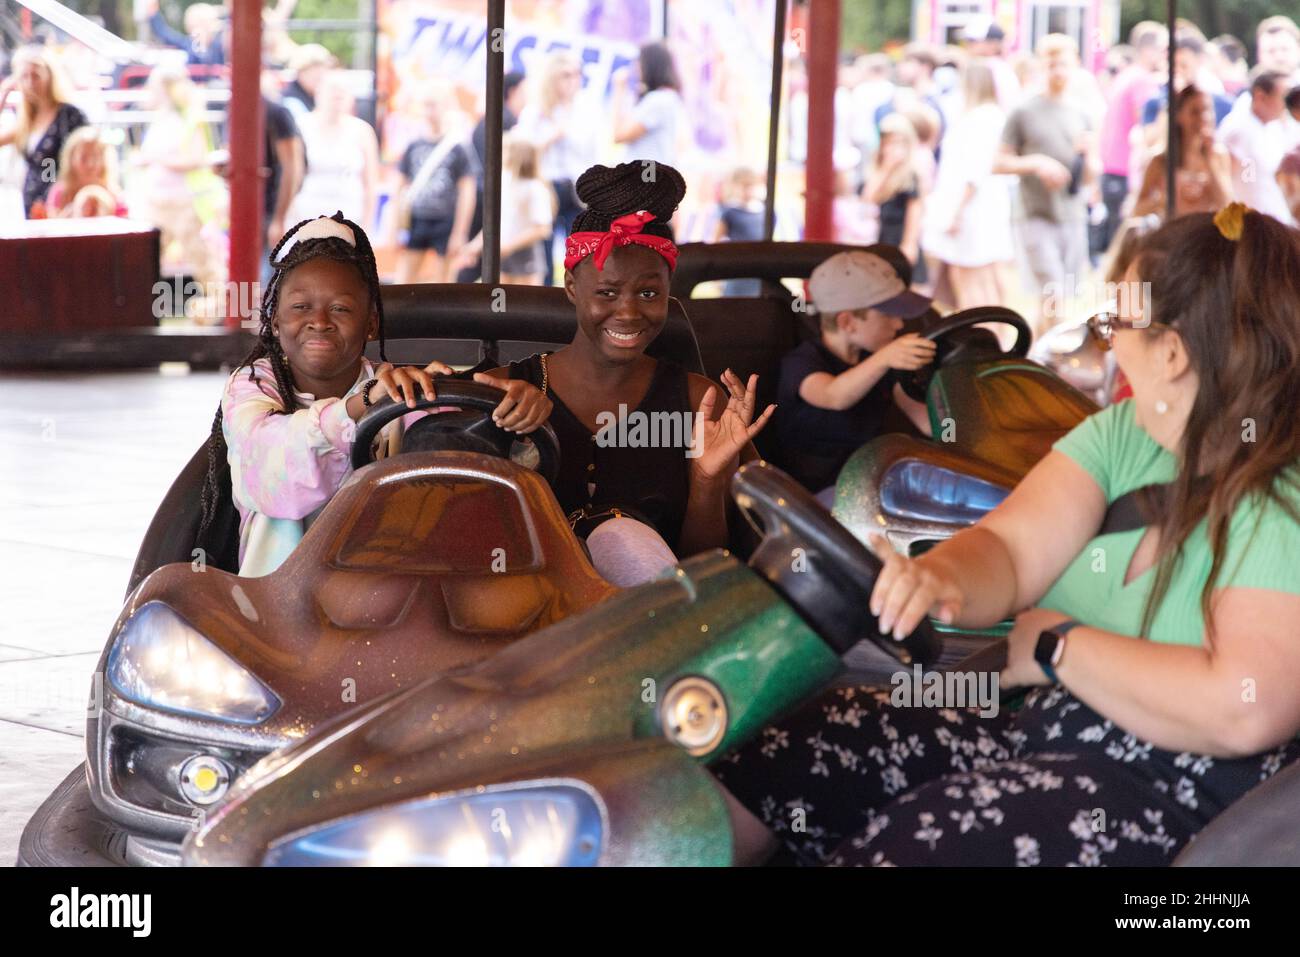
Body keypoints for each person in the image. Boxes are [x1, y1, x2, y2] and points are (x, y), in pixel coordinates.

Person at [716, 204, 1300, 866]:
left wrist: (1058, 648)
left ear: (1172, 352)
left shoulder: (1283, 493)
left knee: (912, 846)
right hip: (1046, 729)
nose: (1109, 343)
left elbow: (1245, 707)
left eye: (1116, 325)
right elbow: (1011, 550)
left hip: (1184, 797)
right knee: (789, 753)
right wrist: (939, 576)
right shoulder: (1124, 435)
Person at [199, 213, 551, 577]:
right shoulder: (253, 386)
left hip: (388, 586)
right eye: (301, 307)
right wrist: (359, 406)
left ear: (370, 324)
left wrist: (512, 419)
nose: (319, 321)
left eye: (341, 308)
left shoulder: (397, 389)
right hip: (280, 597)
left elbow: (459, 457)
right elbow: (270, 468)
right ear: (274, 321)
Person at [492, 161, 774, 587]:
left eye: (648, 293)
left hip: (651, 626)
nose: (627, 312)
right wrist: (385, 391)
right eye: (606, 292)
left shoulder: (700, 403)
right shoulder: (505, 388)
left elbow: (703, 571)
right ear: (572, 287)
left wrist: (706, 482)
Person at [774, 250, 935, 498]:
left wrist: (954, 425)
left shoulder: (881, 361)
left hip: (873, 483)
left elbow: (928, 423)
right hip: (810, 499)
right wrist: (886, 358)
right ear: (847, 322)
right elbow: (834, 396)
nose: (899, 324)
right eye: (888, 315)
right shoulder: (801, 364)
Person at [994, 34, 1096, 331]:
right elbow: (998, 162)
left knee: (1054, 301)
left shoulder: (1082, 113)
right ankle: (1053, 358)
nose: (1058, 72)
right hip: (1035, 214)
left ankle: (1041, 356)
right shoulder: (1024, 111)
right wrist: (1037, 163)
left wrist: (1088, 158)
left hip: (1072, 214)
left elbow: (1090, 175)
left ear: (1075, 65)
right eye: (1051, 65)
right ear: (1041, 66)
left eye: (1063, 64)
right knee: (1054, 293)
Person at [921, 60, 1013, 310]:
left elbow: (974, 171)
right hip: (983, 204)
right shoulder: (993, 116)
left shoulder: (979, 120)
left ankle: (984, 336)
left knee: (969, 278)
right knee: (989, 276)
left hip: (970, 207)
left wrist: (957, 212)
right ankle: (997, 335)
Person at [132, 65, 226, 297]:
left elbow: (195, 158)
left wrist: (154, 159)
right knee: (147, 258)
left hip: (184, 202)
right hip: (158, 201)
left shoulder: (189, 119)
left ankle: (223, 308)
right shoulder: (161, 120)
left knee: (203, 261)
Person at [514, 51, 597, 285]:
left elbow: (594, 153)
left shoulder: (587, 109)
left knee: (580, 252)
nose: (573, 81)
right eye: (566, 75)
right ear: (552, 78)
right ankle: (546, 306)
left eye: (577, 74)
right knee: (544, 252)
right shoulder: (535, 111)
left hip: (577, 188)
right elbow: (522, 153)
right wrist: (550, 137)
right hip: (545, 187)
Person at [392, 80, 478, 284]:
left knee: (444, 282)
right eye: (425, 105)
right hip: (417, 218)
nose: (429, 111)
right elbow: (399, 187)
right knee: (404, 279)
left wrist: (460, 232)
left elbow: (468, 191)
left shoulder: (459, 146)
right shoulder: (414, 145)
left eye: (434, 105)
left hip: (445, 219)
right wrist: (396, 227)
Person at [1098, 21, 1167, 249]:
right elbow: (1148, 129)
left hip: (1112, 169)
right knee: (1127, 249)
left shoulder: (1127, 75)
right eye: (1163, 49)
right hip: (1126, 173)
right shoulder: (1142, 81)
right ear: (1149, 50)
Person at [285, 71, 379, 231]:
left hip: (349, 217)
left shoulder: (362, 130)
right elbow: (291, 174)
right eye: (333, 91)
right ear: (319, 93)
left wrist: (368, 224)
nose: (337, 96)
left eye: (343, 91)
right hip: (306, 216)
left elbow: (370, 182)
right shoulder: (301, 126)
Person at [0, 46, 87, 217]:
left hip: (60, 206)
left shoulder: (69, 115)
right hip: (33, 206)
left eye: (36, 76)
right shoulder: (28, 119)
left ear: (50, 75)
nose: (31, 83)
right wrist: (4, 94)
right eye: (24, 77)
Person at [455, 136, 555, 285]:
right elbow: (496, 222)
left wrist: (508, 246)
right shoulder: (505, 183)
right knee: (499, 302)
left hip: (524, 256)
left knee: (524, 304)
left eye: (506, 150)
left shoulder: (535, 188)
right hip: (503, 254)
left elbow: (542, 229)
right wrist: (475, 246)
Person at [1131, 86, 1232, 220]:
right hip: (1174, 235)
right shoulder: (1160, 160)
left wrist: (1210, 162)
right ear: (1179, 116)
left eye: (1207, 110)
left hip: (1206, 235)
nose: (1203, 117)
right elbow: (1137, 209)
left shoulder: (1219, 155)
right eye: (1195, 112)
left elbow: (1227, 204)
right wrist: (1160, 201)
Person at [1217, 70, 1295, 224]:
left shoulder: (1274, 127)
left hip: (1275, 219)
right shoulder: (1238, 129)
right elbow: (1234, 180)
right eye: (1285, 98)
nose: (1288, 105)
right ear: (1261, 96)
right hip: (1253, 222)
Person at [865, 114, 926, 276]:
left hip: (901, 241)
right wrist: (886, 168)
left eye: (898, 142)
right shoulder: (880, 171)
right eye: (889, 142)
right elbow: (868, 198)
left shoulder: (911, 176)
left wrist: (909, 244)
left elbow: (915, 211)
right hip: (884, 242)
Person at [612, 42, 685, 166]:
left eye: (640, 62)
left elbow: (619, 135)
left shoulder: (657, 100)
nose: (636, 68)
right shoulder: (667, 97)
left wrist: (619, 90)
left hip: (647, 175)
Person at [45, 126, 127, 218]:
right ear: (71, 159)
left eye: (95, 157)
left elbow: (124, 219)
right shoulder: (60, 192)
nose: (90, 164)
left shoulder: (113, 194)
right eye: (84, 158)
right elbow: (53, 223)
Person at [281, 43, 335, 118]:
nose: (321, 75)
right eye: (316, 76)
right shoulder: (290, 100)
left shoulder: (320, 95)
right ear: (301, 71)